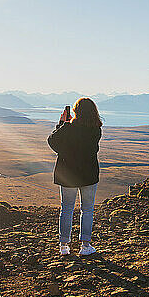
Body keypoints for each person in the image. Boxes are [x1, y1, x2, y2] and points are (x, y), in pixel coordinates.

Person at [47, 97, 102, 256]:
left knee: (67, 208)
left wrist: (62, 124)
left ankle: (64, 246)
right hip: (89, 174)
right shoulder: (96, 129)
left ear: (76, 111)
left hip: (68, 175)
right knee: (88, 210)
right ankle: (85, 246)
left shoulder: (67, 128)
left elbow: (52, 141)